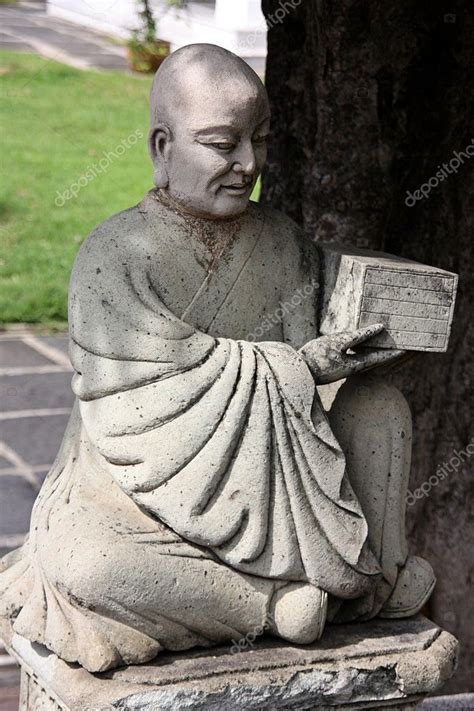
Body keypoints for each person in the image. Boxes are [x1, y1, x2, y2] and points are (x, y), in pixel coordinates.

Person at [0, 44, 435, 673]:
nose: (249, 164)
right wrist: (302, 368)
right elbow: (143, 399)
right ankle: (275, 604)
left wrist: (380, 335)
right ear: (161, 147)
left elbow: (319, 379)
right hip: (132, 492)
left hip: (282, 490)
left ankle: (348, 578)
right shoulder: (115, 256)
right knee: (83, 563)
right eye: (222, 144)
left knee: (378, 406)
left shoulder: (280, 241)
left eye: (259, 139)